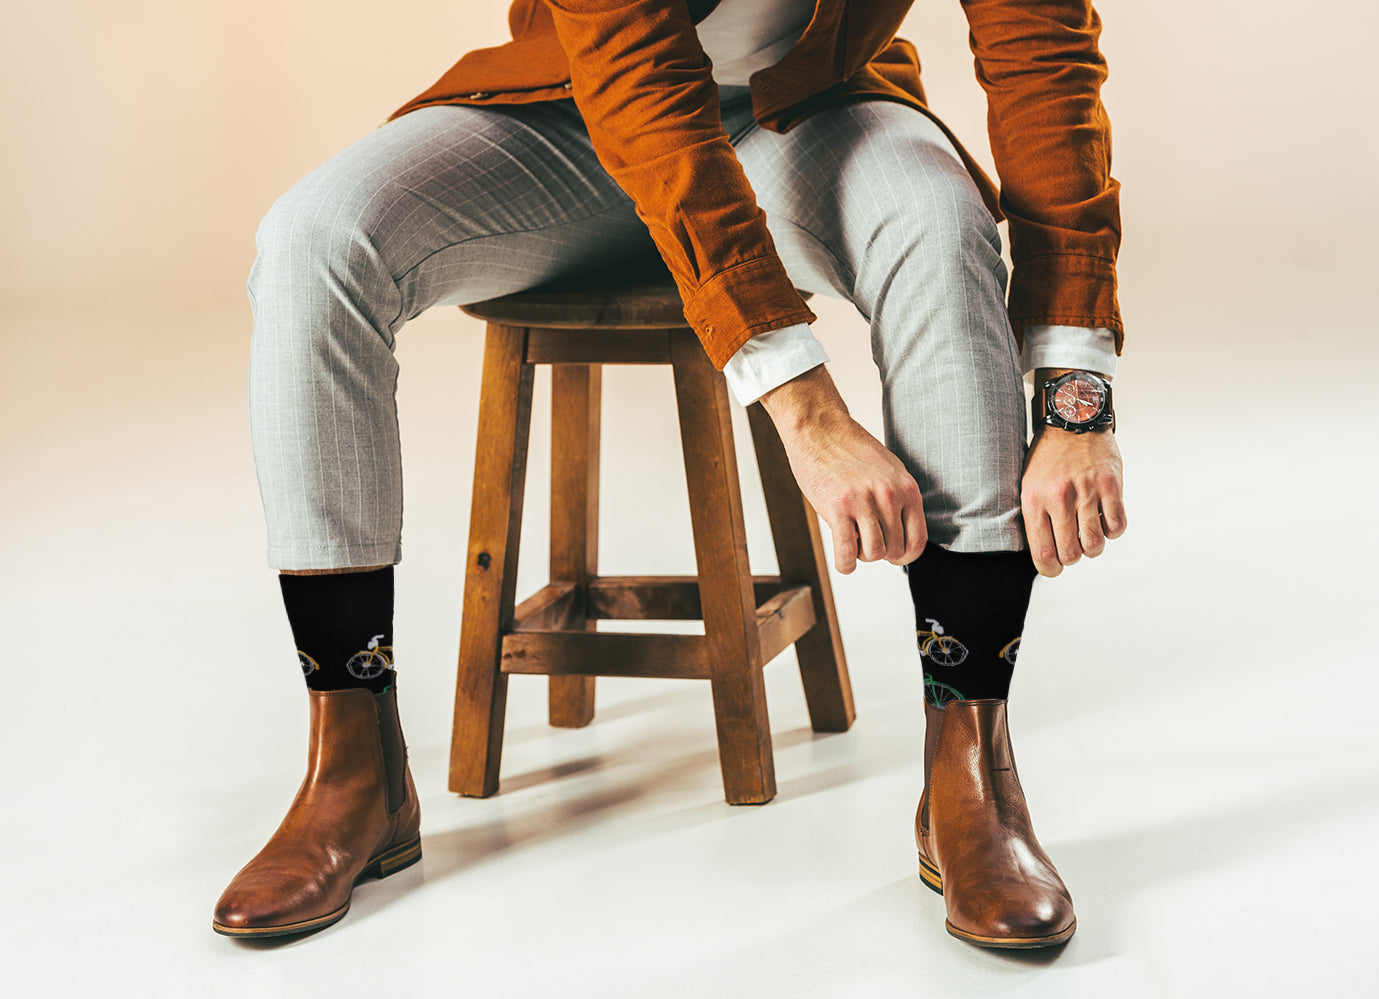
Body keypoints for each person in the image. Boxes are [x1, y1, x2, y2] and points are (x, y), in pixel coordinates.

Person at [212, 0, 1127, 950]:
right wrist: (801, 404)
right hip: (570, 115)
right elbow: (640, 81)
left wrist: (1074, 392)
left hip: (803, 115)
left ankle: (970, 768)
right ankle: (353, 765)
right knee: (311, 240)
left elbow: (1042, 52)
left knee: (937, 221)